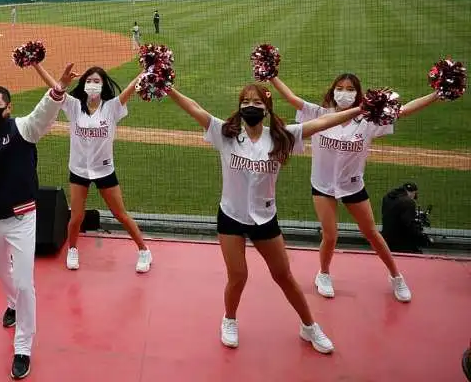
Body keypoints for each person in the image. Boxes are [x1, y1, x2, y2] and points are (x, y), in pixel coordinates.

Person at [167, 83, 367, 353]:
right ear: (239, 107)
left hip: (265, 218)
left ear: (267, 109)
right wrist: (168, 89)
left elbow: (323, 122)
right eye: (246, 101)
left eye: (258, 102)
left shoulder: (283, 137)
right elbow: (195, 108)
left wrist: (359, 110)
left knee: (284, 275)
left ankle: (309, 326)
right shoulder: (226, 134)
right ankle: (229, 319)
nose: (251, 106)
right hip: (231, 216)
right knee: (238, 275)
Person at [270, 73, 439, 301]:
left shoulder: (367, 120)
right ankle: (324, 274)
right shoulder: (319, 114)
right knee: (330, 235)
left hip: (352, 185)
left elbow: (404, 111)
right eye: (340, 88)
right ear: (333, 91)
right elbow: (291, 97)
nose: (344, 93)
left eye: (350, 89)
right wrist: (271, 75)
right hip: (323, 185)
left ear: (358, 94)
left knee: (371, 233)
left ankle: (396, 276)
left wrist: (438, 93)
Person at [0, 63, 74, 380]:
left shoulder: (22, 128)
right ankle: (12, 303)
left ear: (9, 107)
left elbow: (42, 115)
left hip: (23, 217)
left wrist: (58, 90)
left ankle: (23, 348)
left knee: (24, 283)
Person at [31, 63, 151, 272]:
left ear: (103, 85)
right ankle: (73, 249)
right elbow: (55, 87)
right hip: (78, 170)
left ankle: (144, 251)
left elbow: (132, 87)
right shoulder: (74, 106)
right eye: (89, 81)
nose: (92, 84)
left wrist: (146, 69)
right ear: (83, 84)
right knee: (76, 216)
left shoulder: (112, 107)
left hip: (104, 170)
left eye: (97, 81)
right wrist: (36, 64)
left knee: (120, 214)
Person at [381, 182, 431, 254]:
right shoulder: (409, 202)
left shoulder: (387, 198)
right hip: (401, 243)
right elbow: (409, 225)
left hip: (386, 240)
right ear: (413, 193)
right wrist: (422, 237)